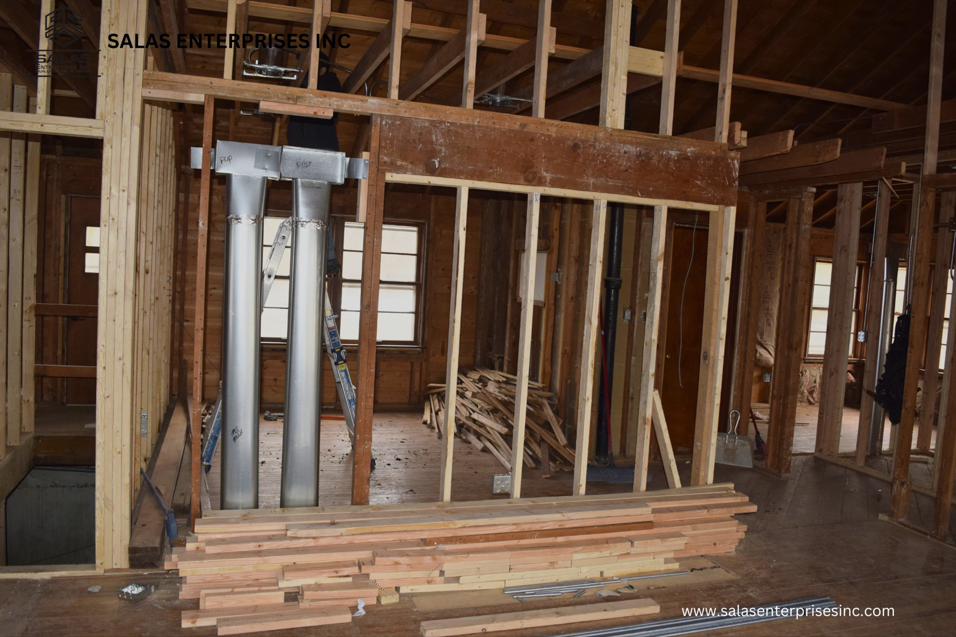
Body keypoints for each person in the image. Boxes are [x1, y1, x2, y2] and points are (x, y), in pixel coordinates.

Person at [286, 51, 342, 152]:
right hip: (298, 145)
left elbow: (324, 92)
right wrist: (291, 81)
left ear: (322, 70)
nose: (303, 70)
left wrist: (298, 80)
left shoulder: (330, 80)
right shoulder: (300, 85)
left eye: (308, 66)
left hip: (322, 146)